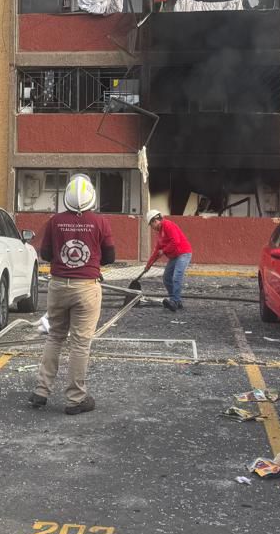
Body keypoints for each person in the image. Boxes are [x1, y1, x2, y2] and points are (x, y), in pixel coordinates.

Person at [30, 174, 115, 416]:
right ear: (92, 196)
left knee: (55, 336)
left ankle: (41, 391)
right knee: (80, 343)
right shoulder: (101, 222)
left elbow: (46, 253)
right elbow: (110, 257)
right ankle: (75, 398)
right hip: (87, 287)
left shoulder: (55, 221)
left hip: (58, 285)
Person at [134, 209, 193, 313]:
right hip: (174, 256)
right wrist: (148, 265)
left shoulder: (168, 225)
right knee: (166, 278)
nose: (152, 228)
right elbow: (157, 251)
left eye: (151, 225)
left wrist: (164, 250)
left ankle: (174, 301)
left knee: (176, 276)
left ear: (155, 221)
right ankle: (175, 301)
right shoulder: (160, 233)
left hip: (183, 253)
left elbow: (176, 241)